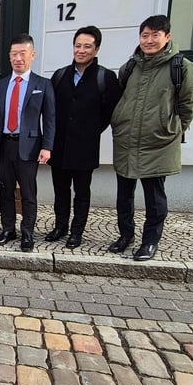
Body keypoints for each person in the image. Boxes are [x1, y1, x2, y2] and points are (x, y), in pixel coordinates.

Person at [109, 15, 193, 261]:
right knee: (124, 195)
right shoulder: (130, 67)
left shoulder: (180, 66)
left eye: (155, 35)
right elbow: (120, 98)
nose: (149, 40)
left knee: (155, 197)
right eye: (145, 35)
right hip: (127, 140)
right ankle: (125, 235)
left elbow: (189, 104)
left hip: (158, 143)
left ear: (167, 37)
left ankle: (150, 242)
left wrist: (172, 129)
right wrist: (119, 122)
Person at [47, 26, 122, 249]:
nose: (81, 50)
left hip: (85, 146)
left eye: (87, 46)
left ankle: (76, 231)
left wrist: (89, 130)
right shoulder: (60, 75)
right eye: (78, 45)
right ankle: (60, 226)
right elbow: (51, 110)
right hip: (59, 145)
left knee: (81, 192)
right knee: (60, 190)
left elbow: (110, 112)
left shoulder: (105, 77)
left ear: (96, 49)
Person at [0, 34, 55, 253]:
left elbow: (51, 118)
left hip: (29, 148)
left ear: (32, 55)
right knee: (5, 191)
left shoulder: (42, 84)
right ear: (9, 57)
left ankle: (27, 233)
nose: (18, 58)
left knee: (27, 192)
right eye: (14, 54)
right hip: (4, 146)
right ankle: (8, 229)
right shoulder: (0, 85)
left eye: (22, 54)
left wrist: (47, 146)